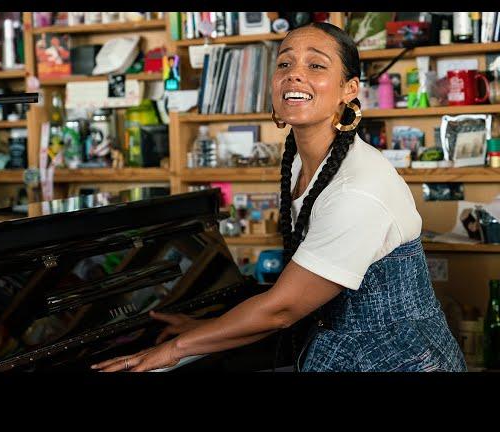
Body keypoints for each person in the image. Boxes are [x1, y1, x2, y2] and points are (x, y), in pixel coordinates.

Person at [91, 22, 467, 372]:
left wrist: (174, 349)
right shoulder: (300, 164)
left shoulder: (358, 188)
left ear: (349, 89)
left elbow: (282, 309)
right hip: (335, 346)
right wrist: (206, 328)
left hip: (397, 359)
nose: (294, 73)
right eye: (284, 62)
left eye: (316, 65)